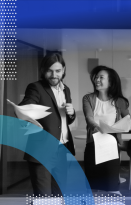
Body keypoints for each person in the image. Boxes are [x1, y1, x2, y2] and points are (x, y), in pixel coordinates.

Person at [19, 53, 76, 196]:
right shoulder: (35, 88)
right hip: (42, 150)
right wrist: (26, 117)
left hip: (62, 149)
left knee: (60, 194)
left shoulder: (66, 90)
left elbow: (64, 121)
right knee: (43, 197)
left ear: (63, 70)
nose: (54, 75)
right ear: (43, 70)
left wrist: (71, 113)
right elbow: (25, 107)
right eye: (49, 71)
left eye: (58, 71)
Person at [83, 66, 130, 195]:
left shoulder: (119, 101)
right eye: (96, 77)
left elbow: (127, 120)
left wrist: (119, 127)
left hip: (111, 146)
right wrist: (97, 127)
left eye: (101, 77)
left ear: (110, 82)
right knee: (92, 188)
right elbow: (89, 118)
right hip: (93, 145)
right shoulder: (88, 98)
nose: (97, 79)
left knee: (112, 187)